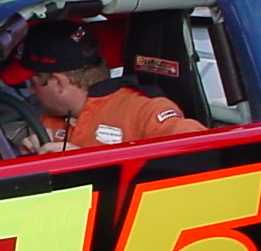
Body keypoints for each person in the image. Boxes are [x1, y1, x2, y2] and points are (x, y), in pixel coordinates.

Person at [14, 20, 204, 154]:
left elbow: (203, 153)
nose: (31, 91)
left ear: (58, 82)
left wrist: (90, 163)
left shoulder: (145, 111)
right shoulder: (49, 119)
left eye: (33, 83)